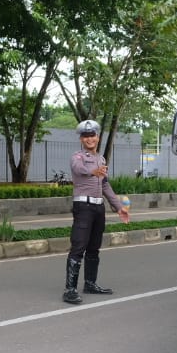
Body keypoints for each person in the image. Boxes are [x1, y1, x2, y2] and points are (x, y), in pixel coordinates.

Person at [62, 119, 130, 304]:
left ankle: (90, 283)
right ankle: (70, 289)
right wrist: (95, 171)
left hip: (98, 208)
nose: (89, 139)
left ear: (98, 137)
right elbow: (79, 169)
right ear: (81, 139)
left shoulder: (101, 159)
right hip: (83, 207)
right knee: (78, 246)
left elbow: (105, 184)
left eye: (92, 135)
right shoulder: (77, 157)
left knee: (94, 247)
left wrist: (118, 207)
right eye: (85, 136)